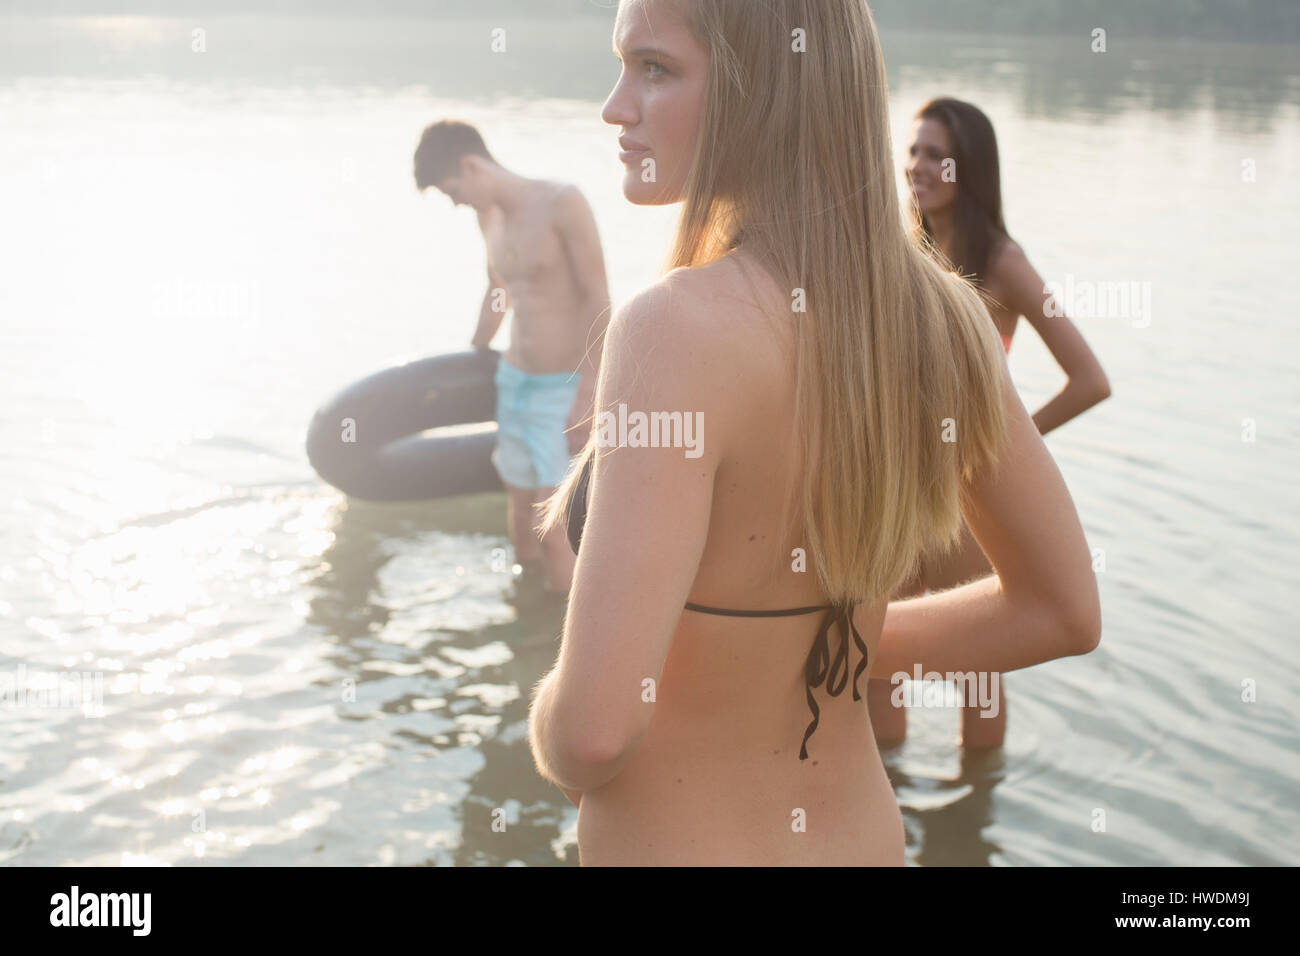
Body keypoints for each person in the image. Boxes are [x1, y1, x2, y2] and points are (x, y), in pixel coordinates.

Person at [525, 0, 1101, 866]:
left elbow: (594, 735)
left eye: (654, 67)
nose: (614, 105)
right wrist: (829, 648)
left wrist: (546, 714)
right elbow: (1062, 610)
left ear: (762, 90)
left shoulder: (671, 329)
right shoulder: (944, 322)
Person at [865, 97, 1112, 749]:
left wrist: (999, 445)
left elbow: (1090, 378)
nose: (916, 165)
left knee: (974, 671)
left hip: (961, 496)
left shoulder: (1003, 262)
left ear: (968, 172)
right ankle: (886, 804)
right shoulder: (903, 248)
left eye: (935, 156)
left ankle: (970, 821)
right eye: (913, 150)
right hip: (896, 486)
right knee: (874, 657)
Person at [414, 120, 611, 594]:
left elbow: (599, 300)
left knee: (554, 527)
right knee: (521, 517)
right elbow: (499, 291)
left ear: (471, 165)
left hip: (559, 389)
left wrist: (587, 393)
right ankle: (527, 614)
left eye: (453, 190)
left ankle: (563, 642)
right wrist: (476, 352)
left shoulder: (562, 202)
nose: (455, 202)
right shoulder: (489, 218)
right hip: (514, 382)